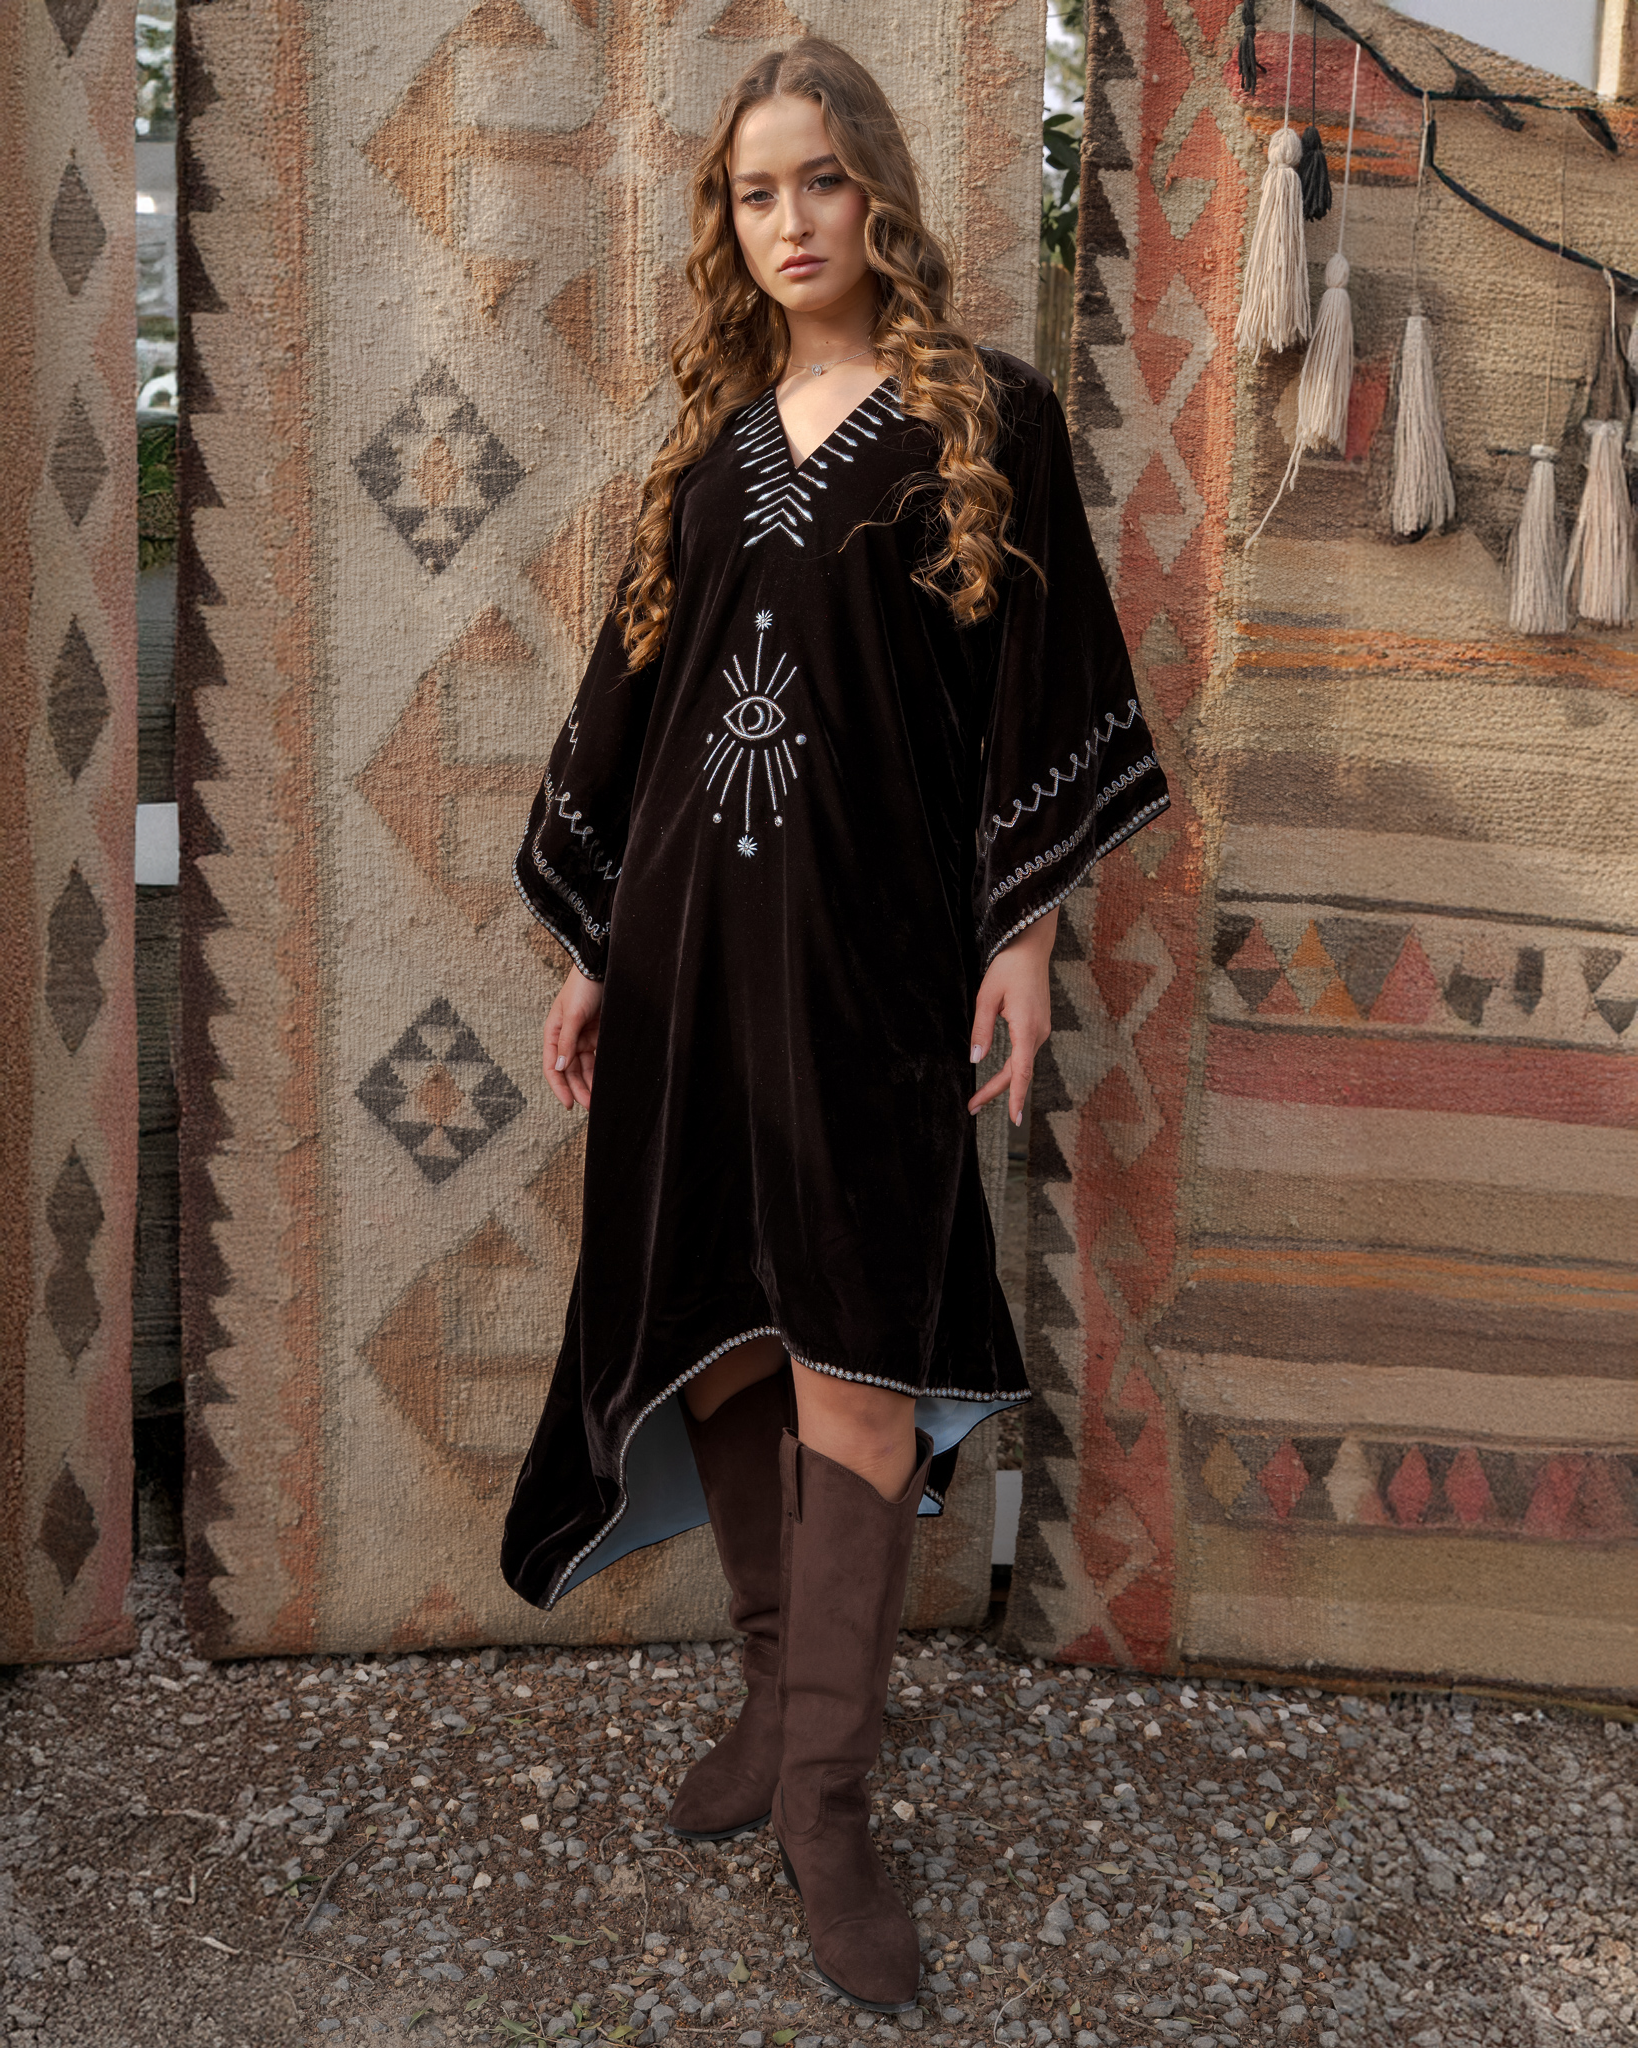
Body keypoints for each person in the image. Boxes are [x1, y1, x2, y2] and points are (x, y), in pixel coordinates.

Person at [500, 35, 1169, 2013]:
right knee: (721, 1325)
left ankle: (829, 1803)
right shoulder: (711, 449)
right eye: (751, 193)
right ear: (728, 223)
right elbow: (641, 705)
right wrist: (592, 950)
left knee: (854, 1362)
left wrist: (1022, 932)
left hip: (874, 966)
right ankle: (771, 1700)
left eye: (817, 180)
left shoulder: (983, 414)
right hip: (689, 959)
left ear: (876, 188)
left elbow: (1042, 678)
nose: (787, 222)